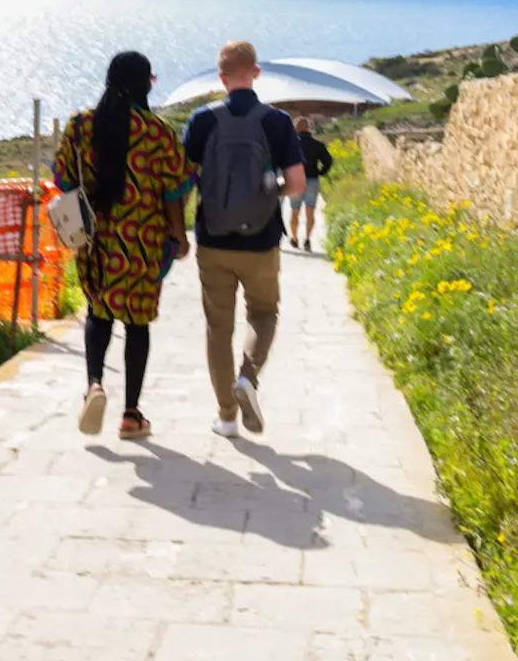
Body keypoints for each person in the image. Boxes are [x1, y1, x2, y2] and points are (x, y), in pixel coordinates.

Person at [54, 51, 192, 440]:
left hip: (95, 239)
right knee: (137, 323)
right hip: (143, 241)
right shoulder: (158, 131)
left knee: (98, 314)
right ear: (144, 82)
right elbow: (174, 190)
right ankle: (131, 415)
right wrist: (179, 236)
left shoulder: (81, 125)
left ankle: (94, 384)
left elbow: (64, 178)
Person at [182, 41, 306, 438]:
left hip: (213, 239)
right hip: (262, 240)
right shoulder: (278, 121)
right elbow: (298, 183)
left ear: (220, 78)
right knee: (264, 314)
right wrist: (272, 191)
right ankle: (248, 378)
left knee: (218, 327)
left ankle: (225, 417)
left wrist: (176, 232)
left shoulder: (202, 121)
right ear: (256, 73)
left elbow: (184, 181)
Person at [288, 116, 334, 251]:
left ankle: (294, 238)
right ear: (308, 128)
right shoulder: (318, 144)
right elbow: (328, 161)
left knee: (295, 212)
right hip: (312, 180)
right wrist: (321, 172)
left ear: (295, 129)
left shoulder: (291, 144)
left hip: (295, 180)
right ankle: (307, 240)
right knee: (310, 211)